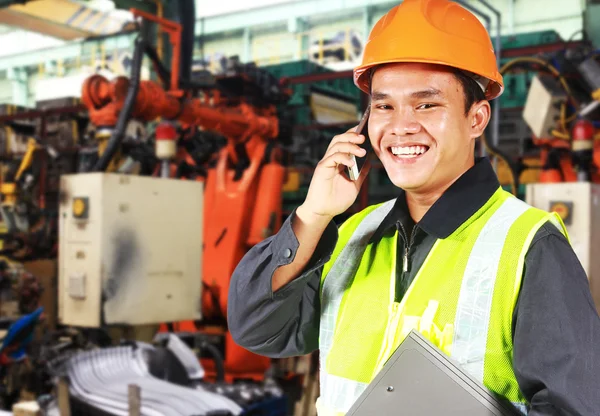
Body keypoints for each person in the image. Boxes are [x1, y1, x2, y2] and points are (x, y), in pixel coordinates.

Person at [228, 0, 600, 414]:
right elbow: (256, 329)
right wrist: (313, 214)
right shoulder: (352, 236)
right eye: (384, 106)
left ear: (476, 119)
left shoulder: (528, 245)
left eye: (426, 104)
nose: (401, 125)